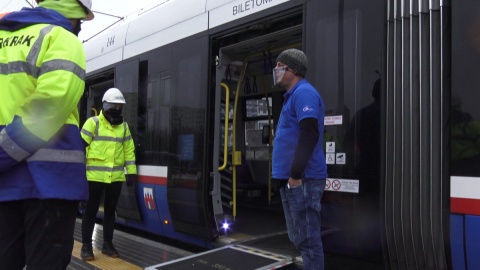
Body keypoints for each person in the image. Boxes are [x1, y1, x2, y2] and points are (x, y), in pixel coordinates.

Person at [0, 1, 94, 269]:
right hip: (50, 184)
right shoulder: (62, 38)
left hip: (4, 187)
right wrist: (3, 153)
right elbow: (51, 104)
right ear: (75, 13)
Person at [272, 48, 327, 270]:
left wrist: (295, 174)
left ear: (291, 69)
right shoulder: (292, 96)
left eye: (279, 66)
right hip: (293, 180)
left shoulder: (304, 93)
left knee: (308, 240)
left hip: (302, 179)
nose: (275, 70)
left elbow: (310, 132)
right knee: (299, 237)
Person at [80, 87, 137, 261]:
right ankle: (86, 246)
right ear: (105, 105)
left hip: (115, 177)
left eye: (120, 106)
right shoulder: (93, 123)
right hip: (94, 177)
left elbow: (129, 150)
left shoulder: (124, 128)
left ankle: (107, 244)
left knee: (111, 212)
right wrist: (78, 172)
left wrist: (131, 172)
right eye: (114, 105)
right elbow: (80, 148)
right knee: (90, 211)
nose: (117, 109)